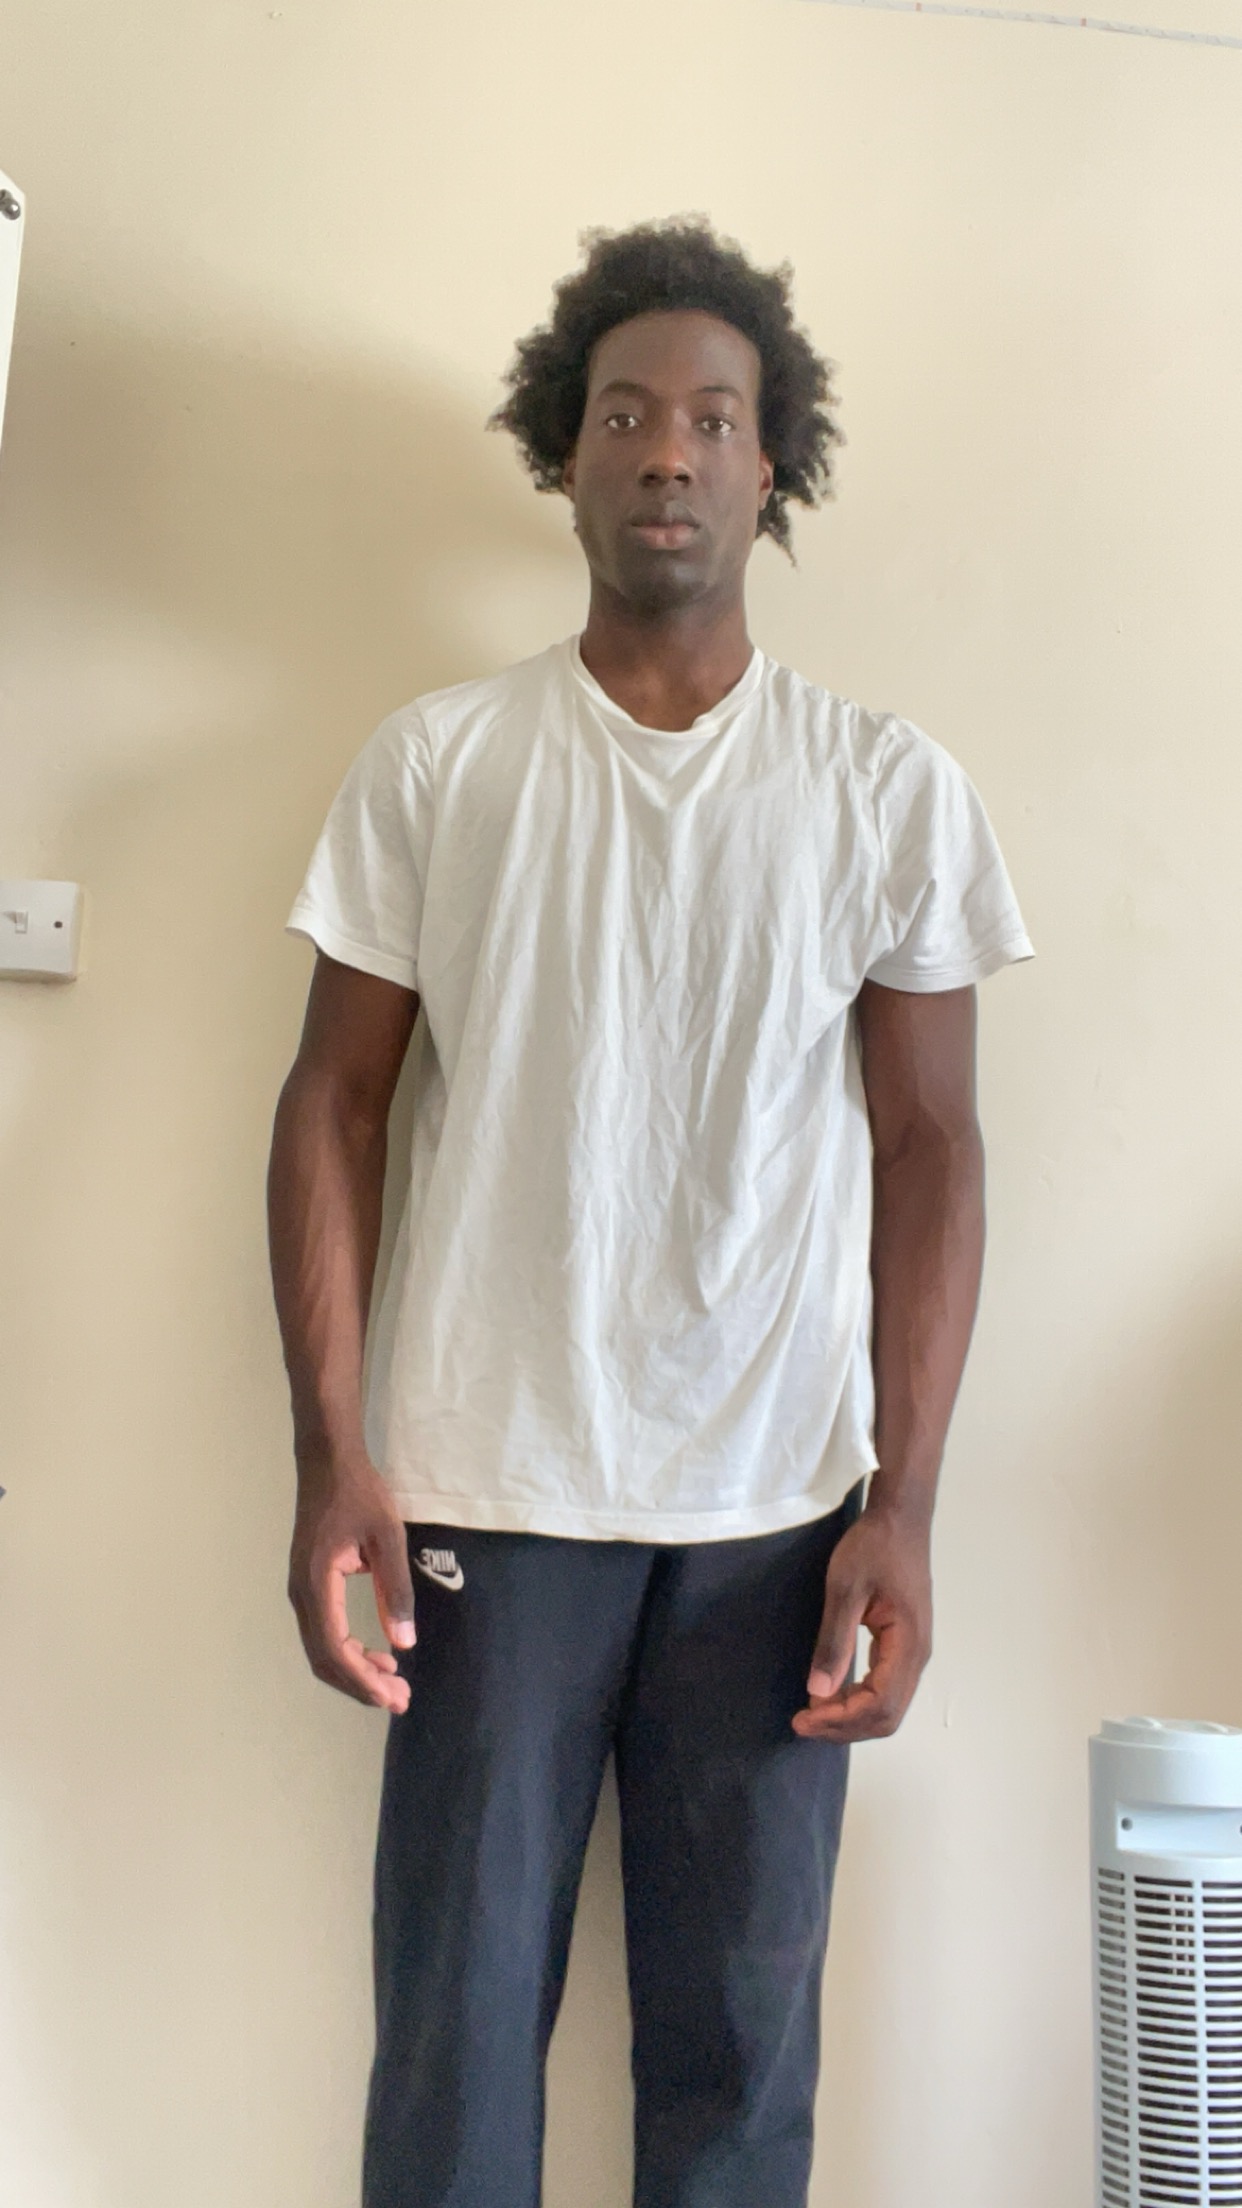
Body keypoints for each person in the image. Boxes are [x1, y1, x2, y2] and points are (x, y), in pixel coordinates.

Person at [266, 217, 1032, 2208]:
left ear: (775, 465)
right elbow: (333, 1103)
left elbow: (934, 1151)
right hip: (487, 1495)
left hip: (777, 1517)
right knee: (452, 2057)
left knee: (739, 2072)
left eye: (710, 417)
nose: (666, 451)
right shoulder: (439, 763)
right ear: (568, 454)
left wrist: (906, 1505)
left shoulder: (882, 787)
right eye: (623, 415)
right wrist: (332, 1454)